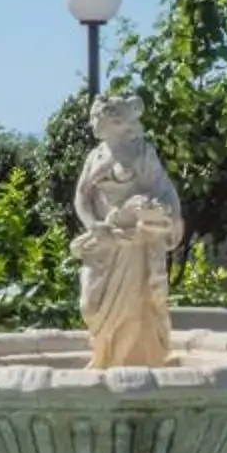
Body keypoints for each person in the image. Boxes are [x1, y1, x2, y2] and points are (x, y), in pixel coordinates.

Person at [72, 97, 183, 368]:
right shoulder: (95, 156)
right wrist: (93, 225)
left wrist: (152, 214)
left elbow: (162, 193)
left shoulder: (141, 153)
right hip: (102, 242)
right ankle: (105, 355)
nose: (92, 122)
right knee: (90, 306)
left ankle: (125, 366)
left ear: (117, 122)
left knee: (132, 310)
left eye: (97, 117)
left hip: (133, 245)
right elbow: (81, 197)